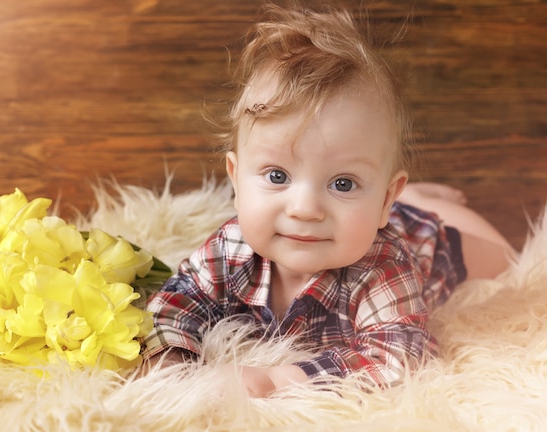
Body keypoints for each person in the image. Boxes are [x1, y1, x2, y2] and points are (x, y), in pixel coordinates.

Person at [140, 3, 514, 397]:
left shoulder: (383, 267)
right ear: (236, 180)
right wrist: (170, 360)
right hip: (376, 213)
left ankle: (420, 203)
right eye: (277, 176)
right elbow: (177, 300)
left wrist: (275, 380)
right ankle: (395, 193)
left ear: (386, 197)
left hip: (431, 242)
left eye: (343, 183)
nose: (305, 209)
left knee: (512, 261)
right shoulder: (231, 248)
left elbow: (399, 357)